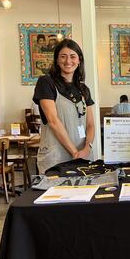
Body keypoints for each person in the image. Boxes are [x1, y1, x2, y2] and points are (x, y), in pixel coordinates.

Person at [33, 39, 95, 174]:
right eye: (63, 56)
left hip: (83, 156)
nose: (68, 61)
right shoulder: (46, 82)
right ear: (56, 60)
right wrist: (74, 152)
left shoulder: (83, 89)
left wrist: (87, 147)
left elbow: (90, 124)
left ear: (79, 61)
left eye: (73, 56)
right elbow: (53, 121)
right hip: (56, 156)